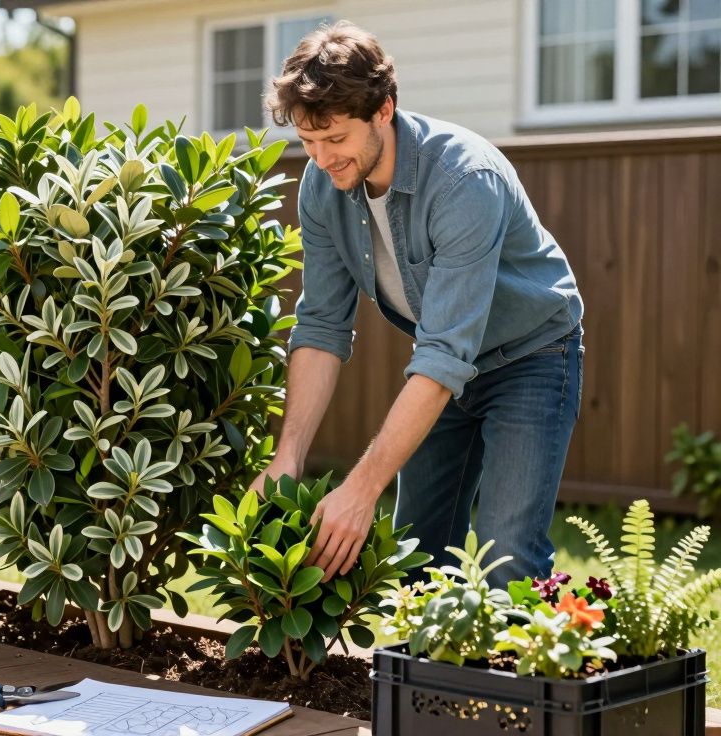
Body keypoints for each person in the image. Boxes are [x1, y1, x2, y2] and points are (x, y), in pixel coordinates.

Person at [250, 22, 584, 588]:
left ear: (383, 110)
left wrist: (359, 489)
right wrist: (288, 458)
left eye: (335, 139)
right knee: (415, 561)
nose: (322, 159)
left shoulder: (463, 180)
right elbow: (321, 326)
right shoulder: (320, 186)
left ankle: (527, 674)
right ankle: (430, 680)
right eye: (308, 142)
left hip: (533, 356)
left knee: (509, 557)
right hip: (443, 365)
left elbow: (445, 353)